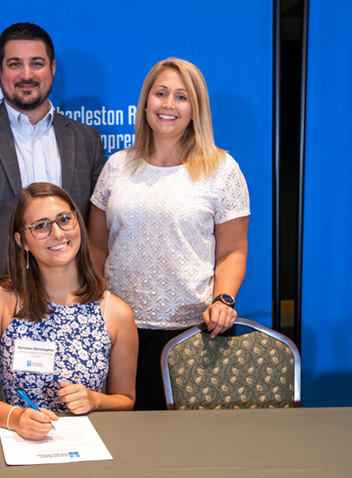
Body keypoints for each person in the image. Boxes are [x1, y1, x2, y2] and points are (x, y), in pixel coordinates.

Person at [88, 58, 250, 410]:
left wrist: (224, 300)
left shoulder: (223, 170)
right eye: (160, 93)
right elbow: (97, 246)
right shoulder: (116, 166)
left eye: (181, 97)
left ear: (196, 108)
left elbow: (232, 251)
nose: (168, 105)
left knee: (186, 448)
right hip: (116, 329)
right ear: (146, 101)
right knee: (124, 441)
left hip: (193, 333)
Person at [0, 22, 105, 338]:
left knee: (68, 391)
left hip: (72, 303)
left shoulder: (86, 139)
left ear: (52, 68)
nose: (26, 74)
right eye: (15, 64)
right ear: (0, 70)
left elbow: (96, 230)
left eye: (37, 63)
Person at [0, 183, 137, 440]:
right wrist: (14, 418)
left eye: (64, 219)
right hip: (21, 443)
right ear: (21, 241)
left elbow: (125, 400)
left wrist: (95, 400)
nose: (57, 233)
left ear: (78, 223)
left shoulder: (115, 312)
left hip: (89, 446)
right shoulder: (1, 298)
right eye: (41, 226)